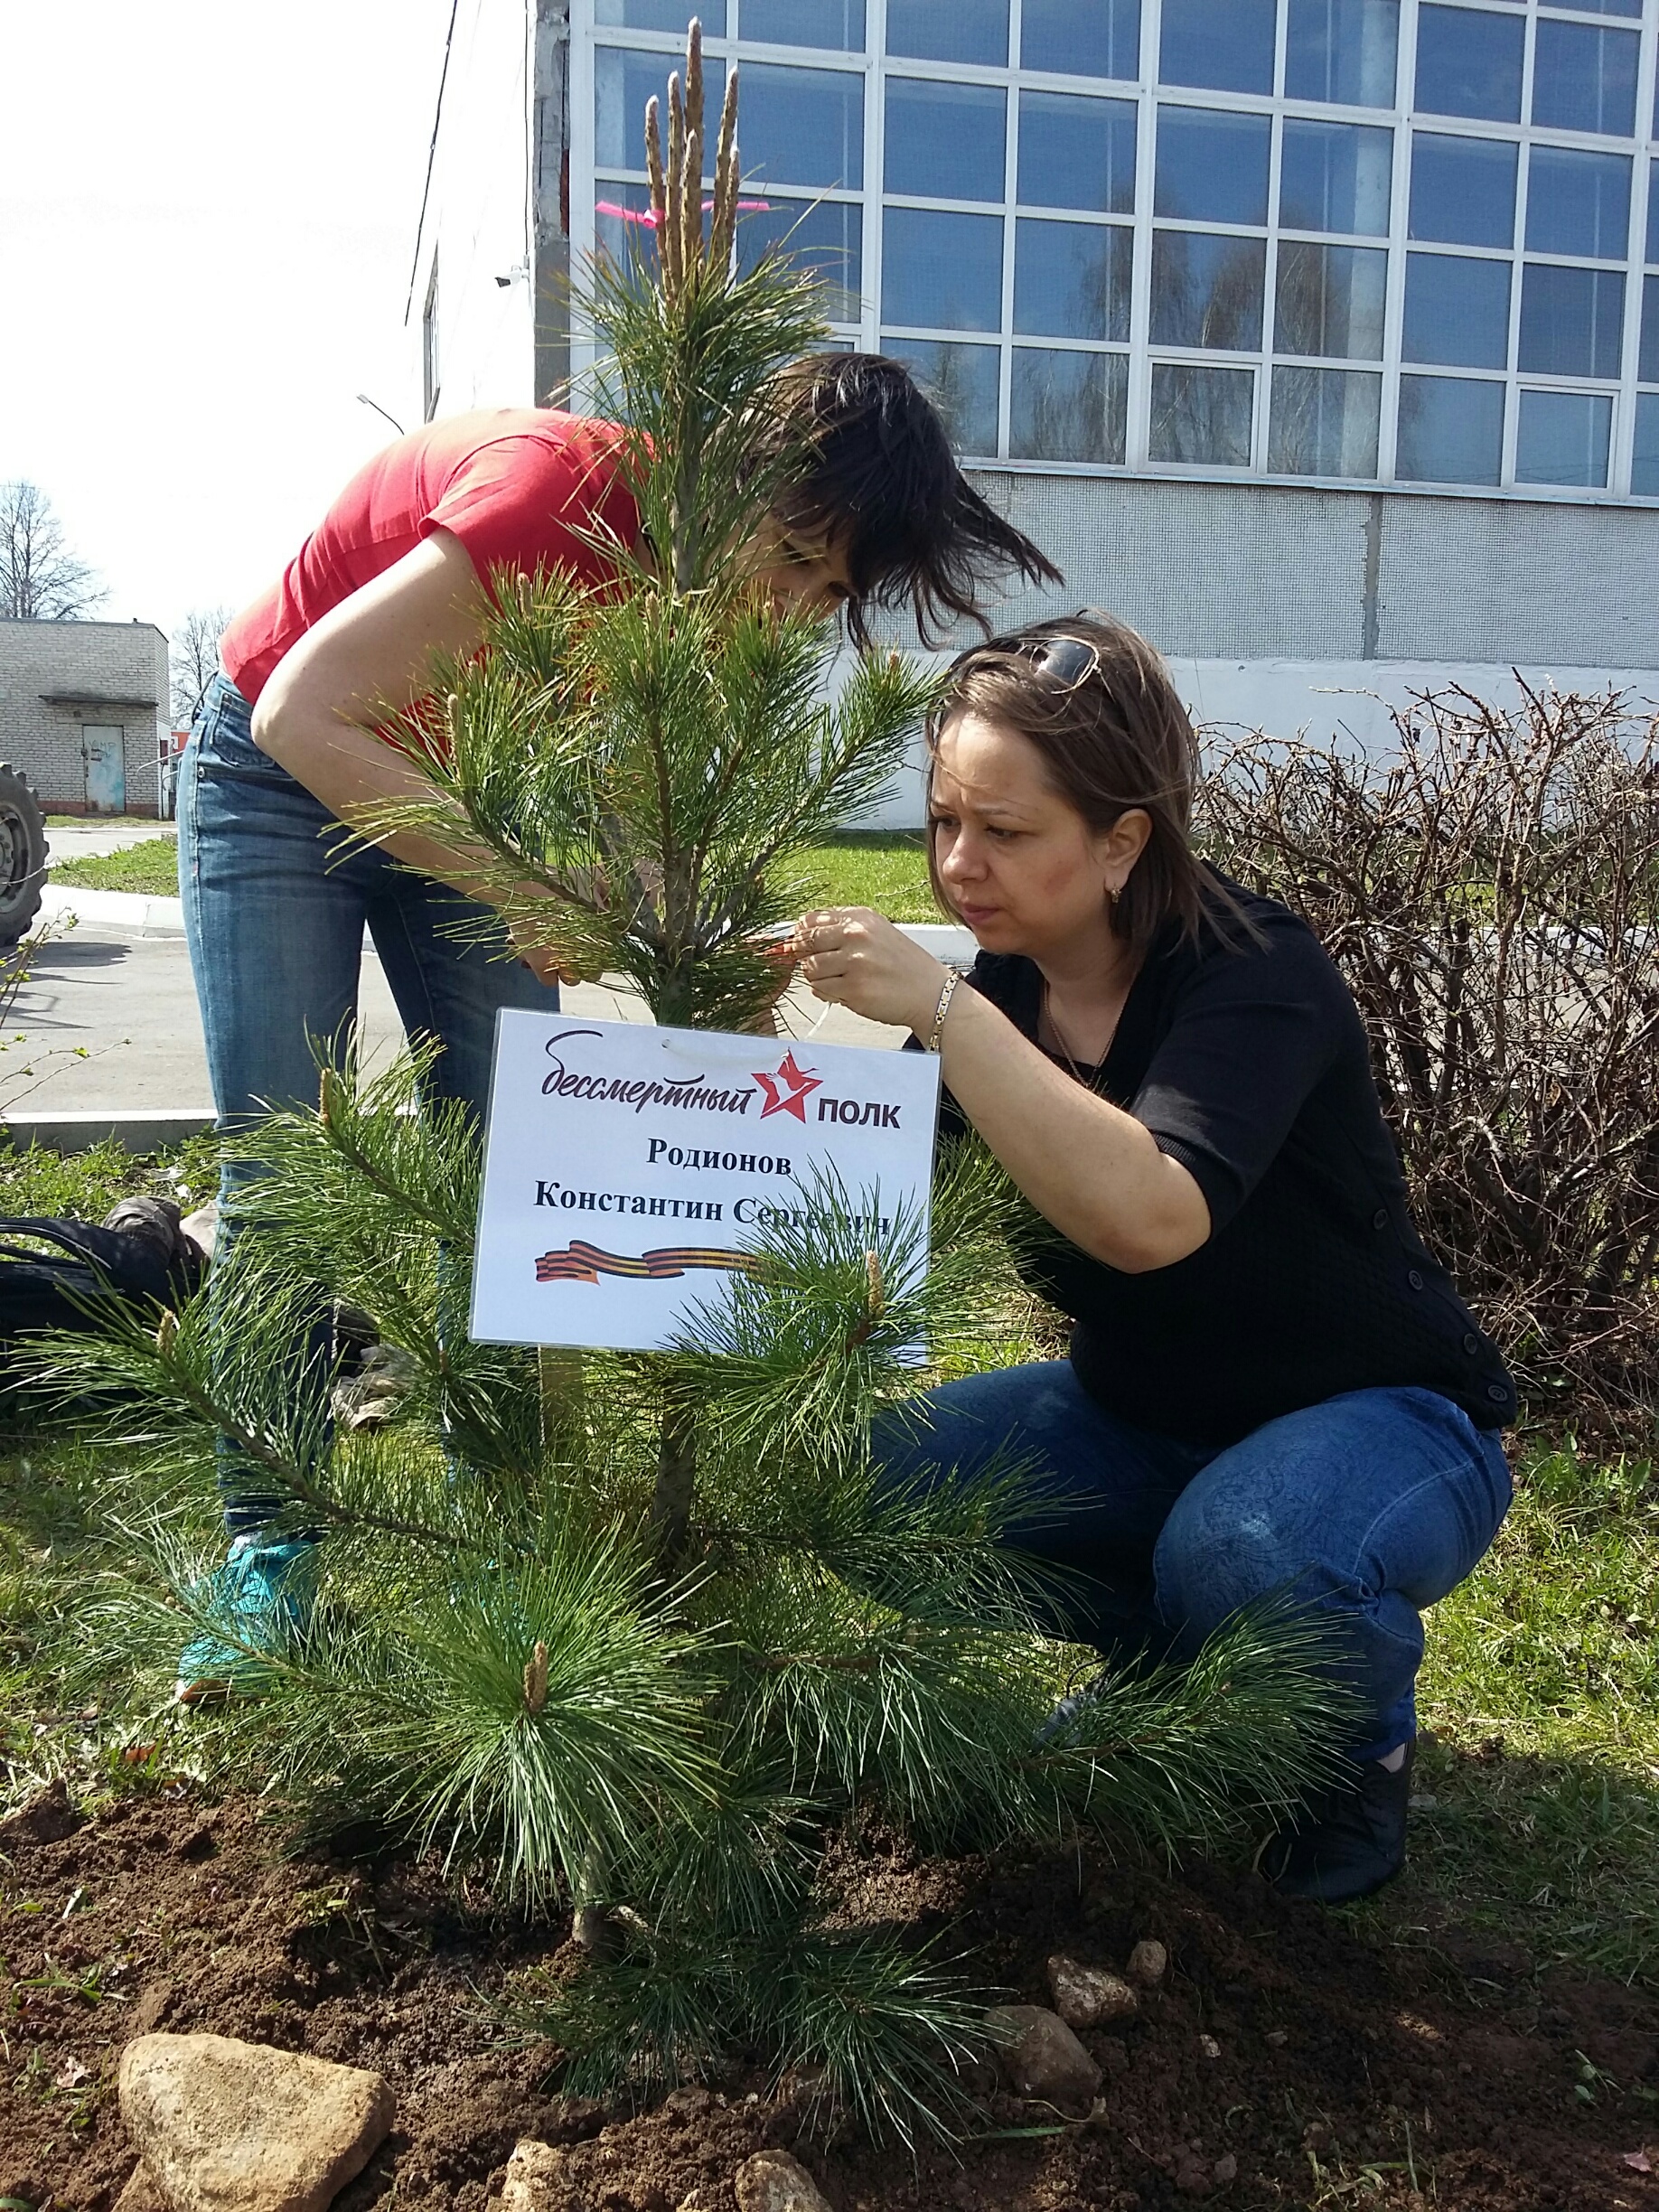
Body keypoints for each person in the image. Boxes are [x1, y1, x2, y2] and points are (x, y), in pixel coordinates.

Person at [176, 354, 1062, 1698]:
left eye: (833, 593)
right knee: (284, 1166)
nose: (795, 604)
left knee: (510, 1167)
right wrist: (535, 886)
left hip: (461, 796)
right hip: (278, 771)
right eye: (794, 554)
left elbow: (624, 817)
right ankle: (272, 1554)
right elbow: (310, 710)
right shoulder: (556, 494)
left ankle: (507, 1547)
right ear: (733, 474)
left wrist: (681, 943)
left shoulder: (715, 598)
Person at [790, 612, 1514, 1904]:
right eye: (944, 820)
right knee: (863, 1483)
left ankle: (1352, 1749)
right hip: (1134, 1411)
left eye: (1007, 832)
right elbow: (863, 1208)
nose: (961, 865)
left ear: (1124, 839)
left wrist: (945, 1012)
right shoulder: (1006, 994)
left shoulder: (1253, 971)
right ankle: (1186, 1672)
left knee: (1246, 1547)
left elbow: (1152, 1216)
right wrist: (717, 1054)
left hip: (1384, 1418)